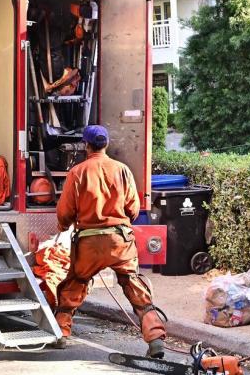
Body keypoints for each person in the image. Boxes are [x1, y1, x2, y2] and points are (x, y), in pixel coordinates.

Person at [53, 125, 167, 357]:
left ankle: (61, 333)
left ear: (86, 145)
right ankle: (155, 337)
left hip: (88, 244)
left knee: (75, 283)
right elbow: (133, 209)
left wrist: (64, 226)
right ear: (106, 144)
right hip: (120, 240)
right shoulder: (122, 170)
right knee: (133, 284)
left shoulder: (77, 172)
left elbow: (65, 211)